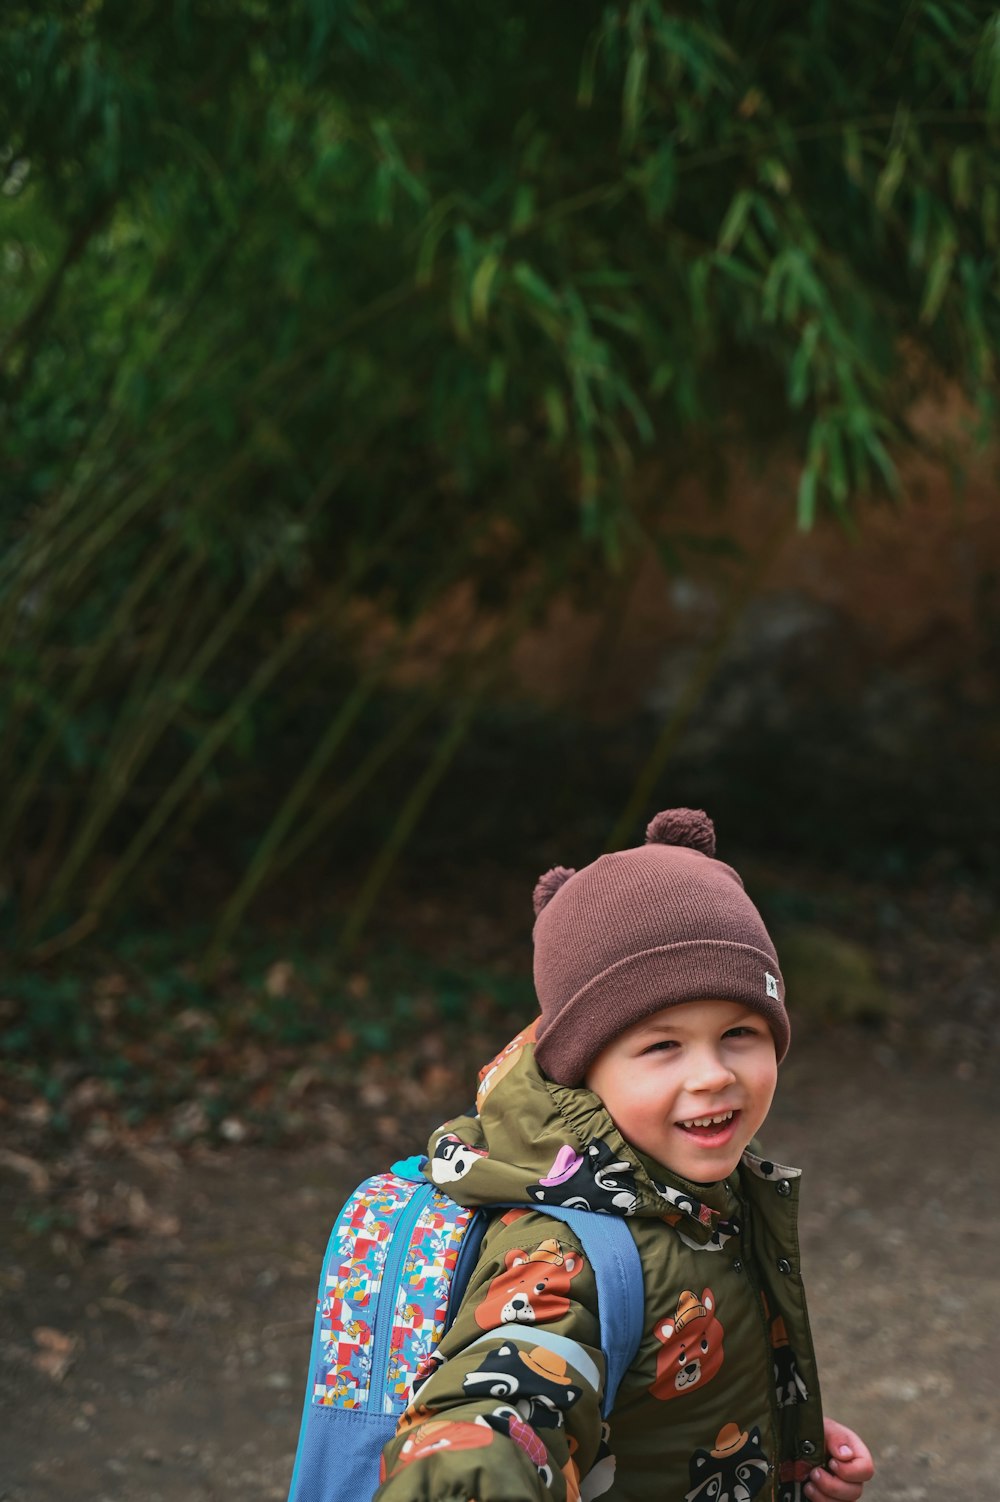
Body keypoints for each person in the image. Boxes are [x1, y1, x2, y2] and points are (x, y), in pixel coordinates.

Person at [374, 808, 875, 1502]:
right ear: (585, 1070)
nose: (712, 1075)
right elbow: (508, 1390)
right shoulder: (564, 1247)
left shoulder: (703, 1186)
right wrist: (472, 1474)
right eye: (662, 1046)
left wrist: (778, 1440)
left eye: (739, 1032)